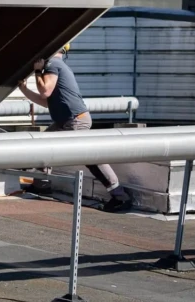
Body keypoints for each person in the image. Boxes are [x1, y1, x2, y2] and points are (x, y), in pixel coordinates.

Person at [18, 45, 133, 212]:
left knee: (90, 156)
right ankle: (41, 184)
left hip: (75, 121)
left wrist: (37, 72)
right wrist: (24, 89)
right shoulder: (57, 66)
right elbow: (46, 101)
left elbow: (45, 91)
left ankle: (120, 195)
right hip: (68, 120)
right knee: (43, 146)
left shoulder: (53, 65)